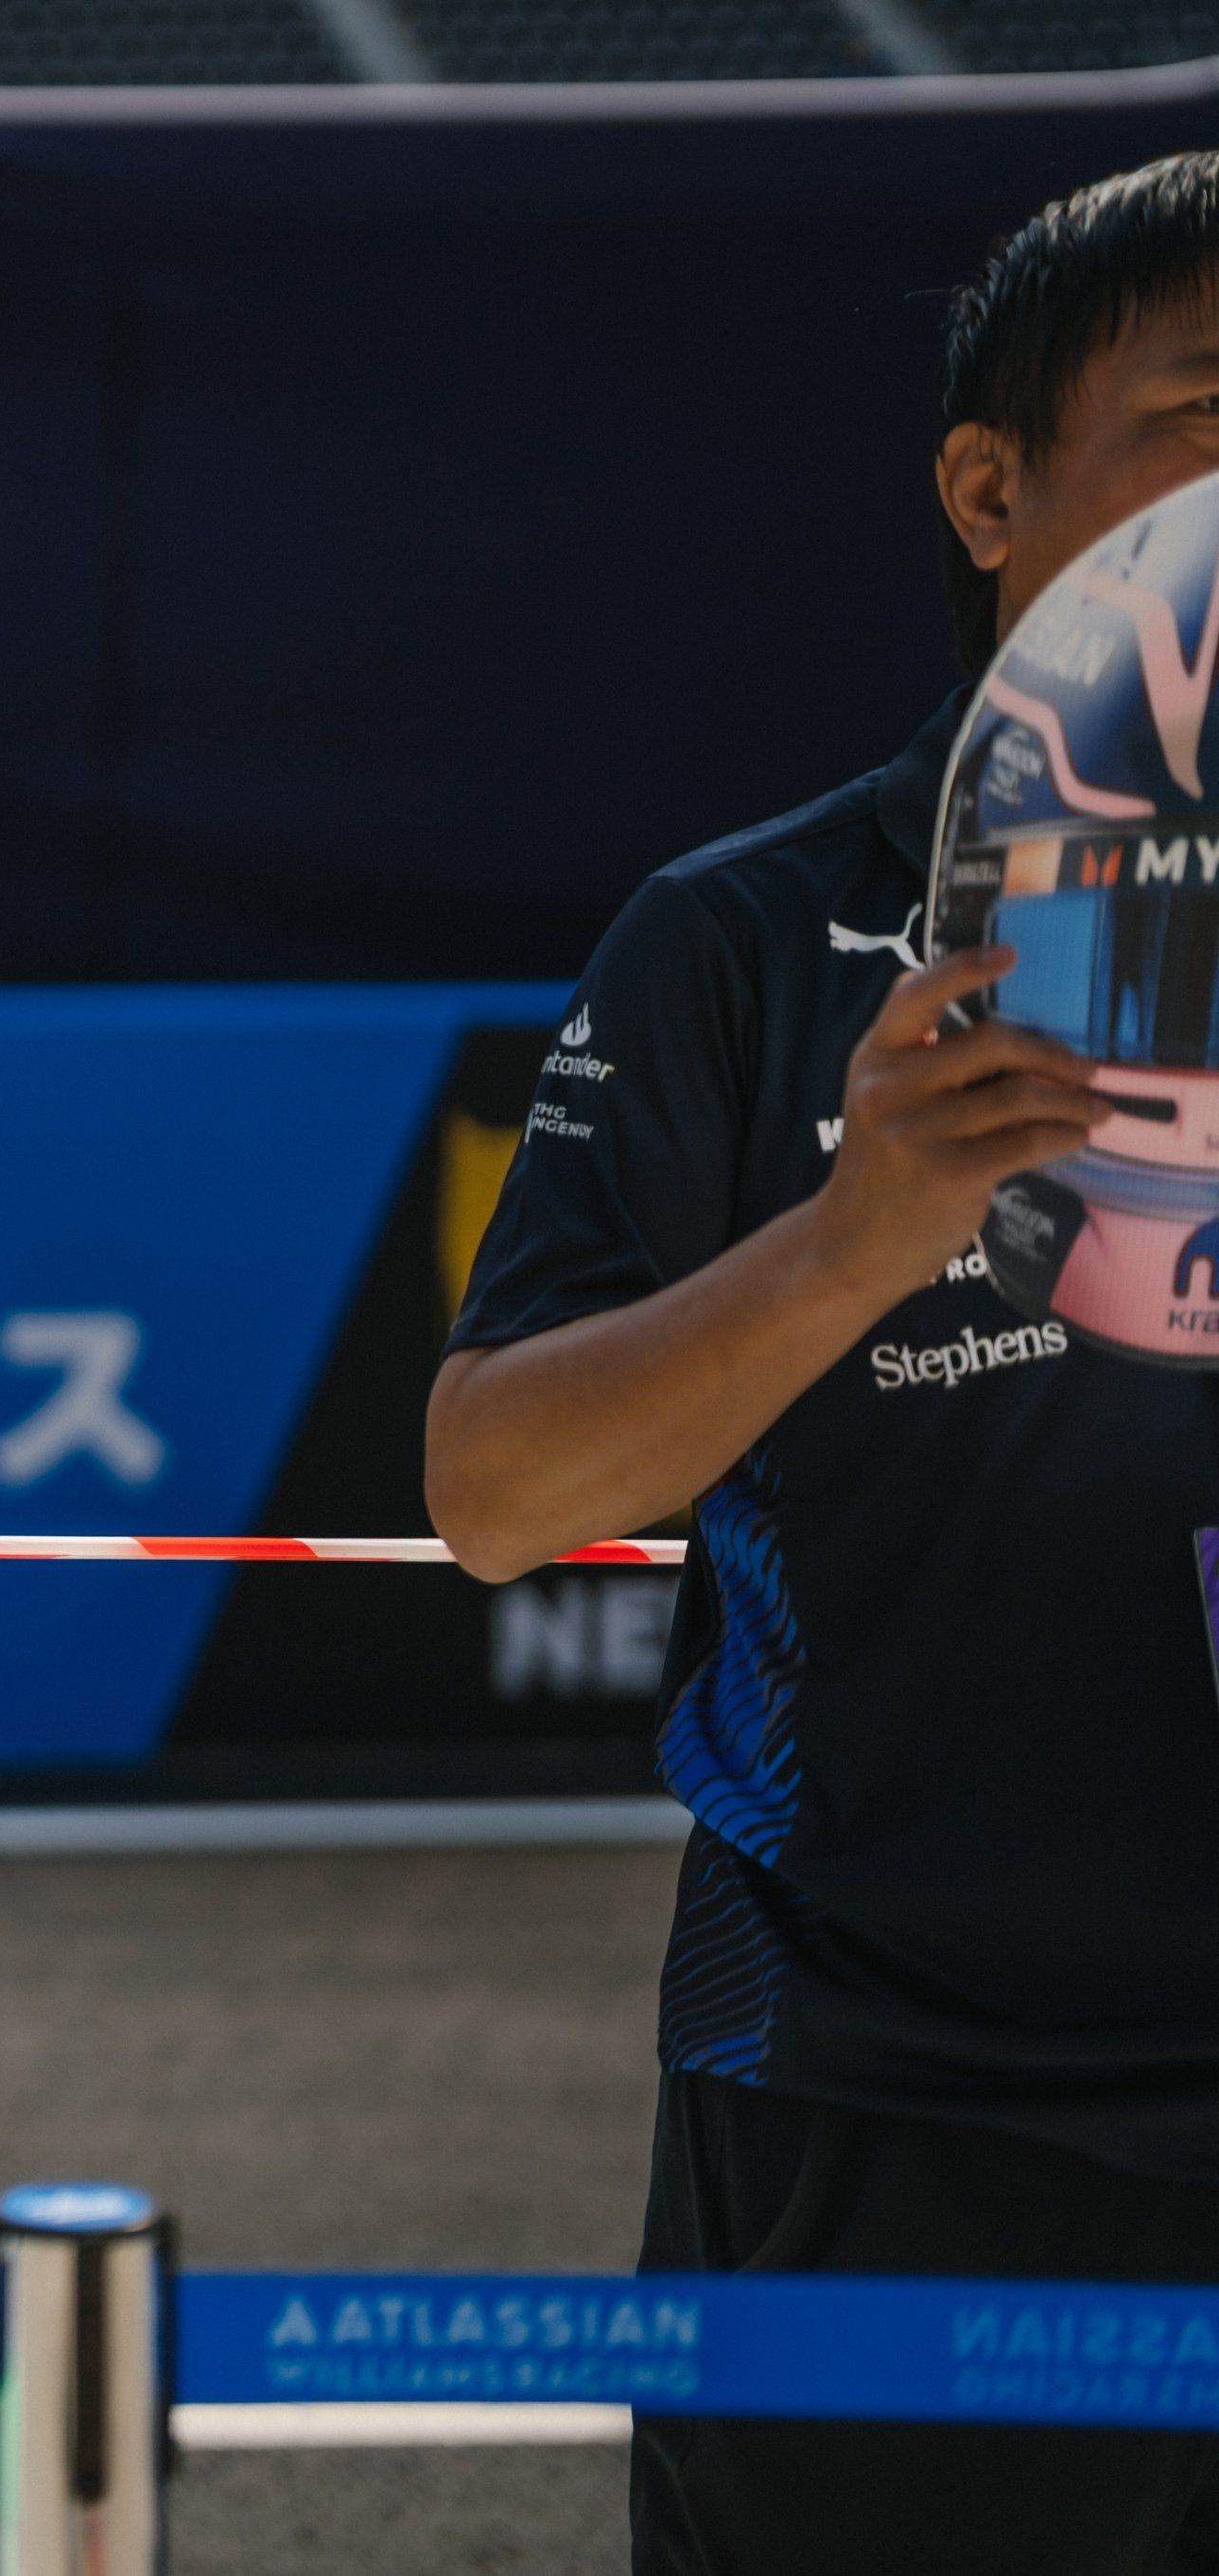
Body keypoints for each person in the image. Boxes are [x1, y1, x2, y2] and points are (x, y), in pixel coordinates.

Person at [425, 155, 1219, 2575]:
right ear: (994, 490)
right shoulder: (748, 937)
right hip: (875, 2093)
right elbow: (495, 1492)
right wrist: (856, 1239)